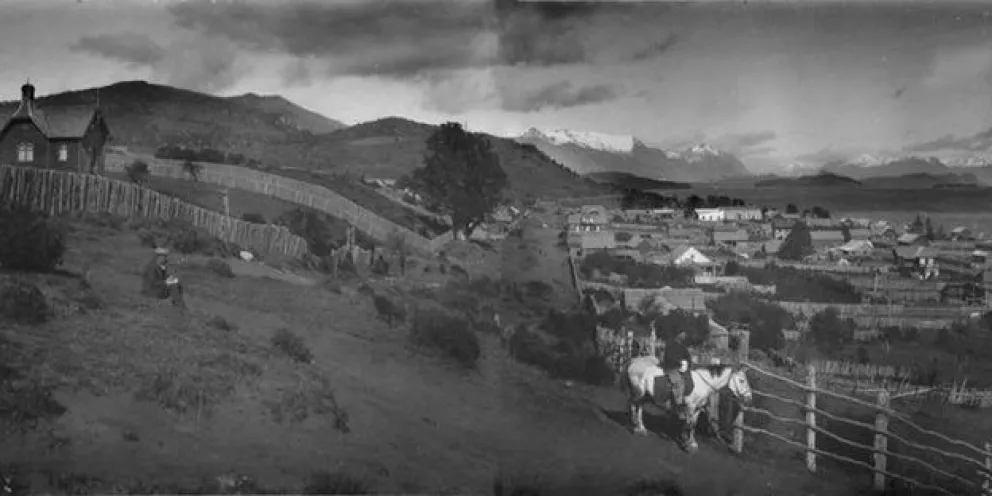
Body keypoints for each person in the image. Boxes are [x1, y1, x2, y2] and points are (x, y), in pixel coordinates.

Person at [662, 330, 692, 415]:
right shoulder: (670, 345)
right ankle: (679, 405)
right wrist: (679, 362)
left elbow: (687, 357)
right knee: (679, 382)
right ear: (678, 334)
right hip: (671, 368)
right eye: (683, 333)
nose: (685, 335)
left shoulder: (683, 346)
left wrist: (689, 363)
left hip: (681, 369)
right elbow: (669, 357)